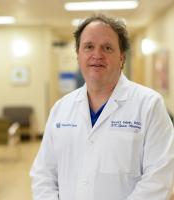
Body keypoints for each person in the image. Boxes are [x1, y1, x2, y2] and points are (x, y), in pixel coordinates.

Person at [30, 14, 174, 200]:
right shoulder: (60, 109)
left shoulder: (149, 105)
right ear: (78, 55)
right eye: (89, 47)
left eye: (107, 48)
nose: (97, 55)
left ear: (121, 58)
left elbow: (159, 179)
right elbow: (43, 175)